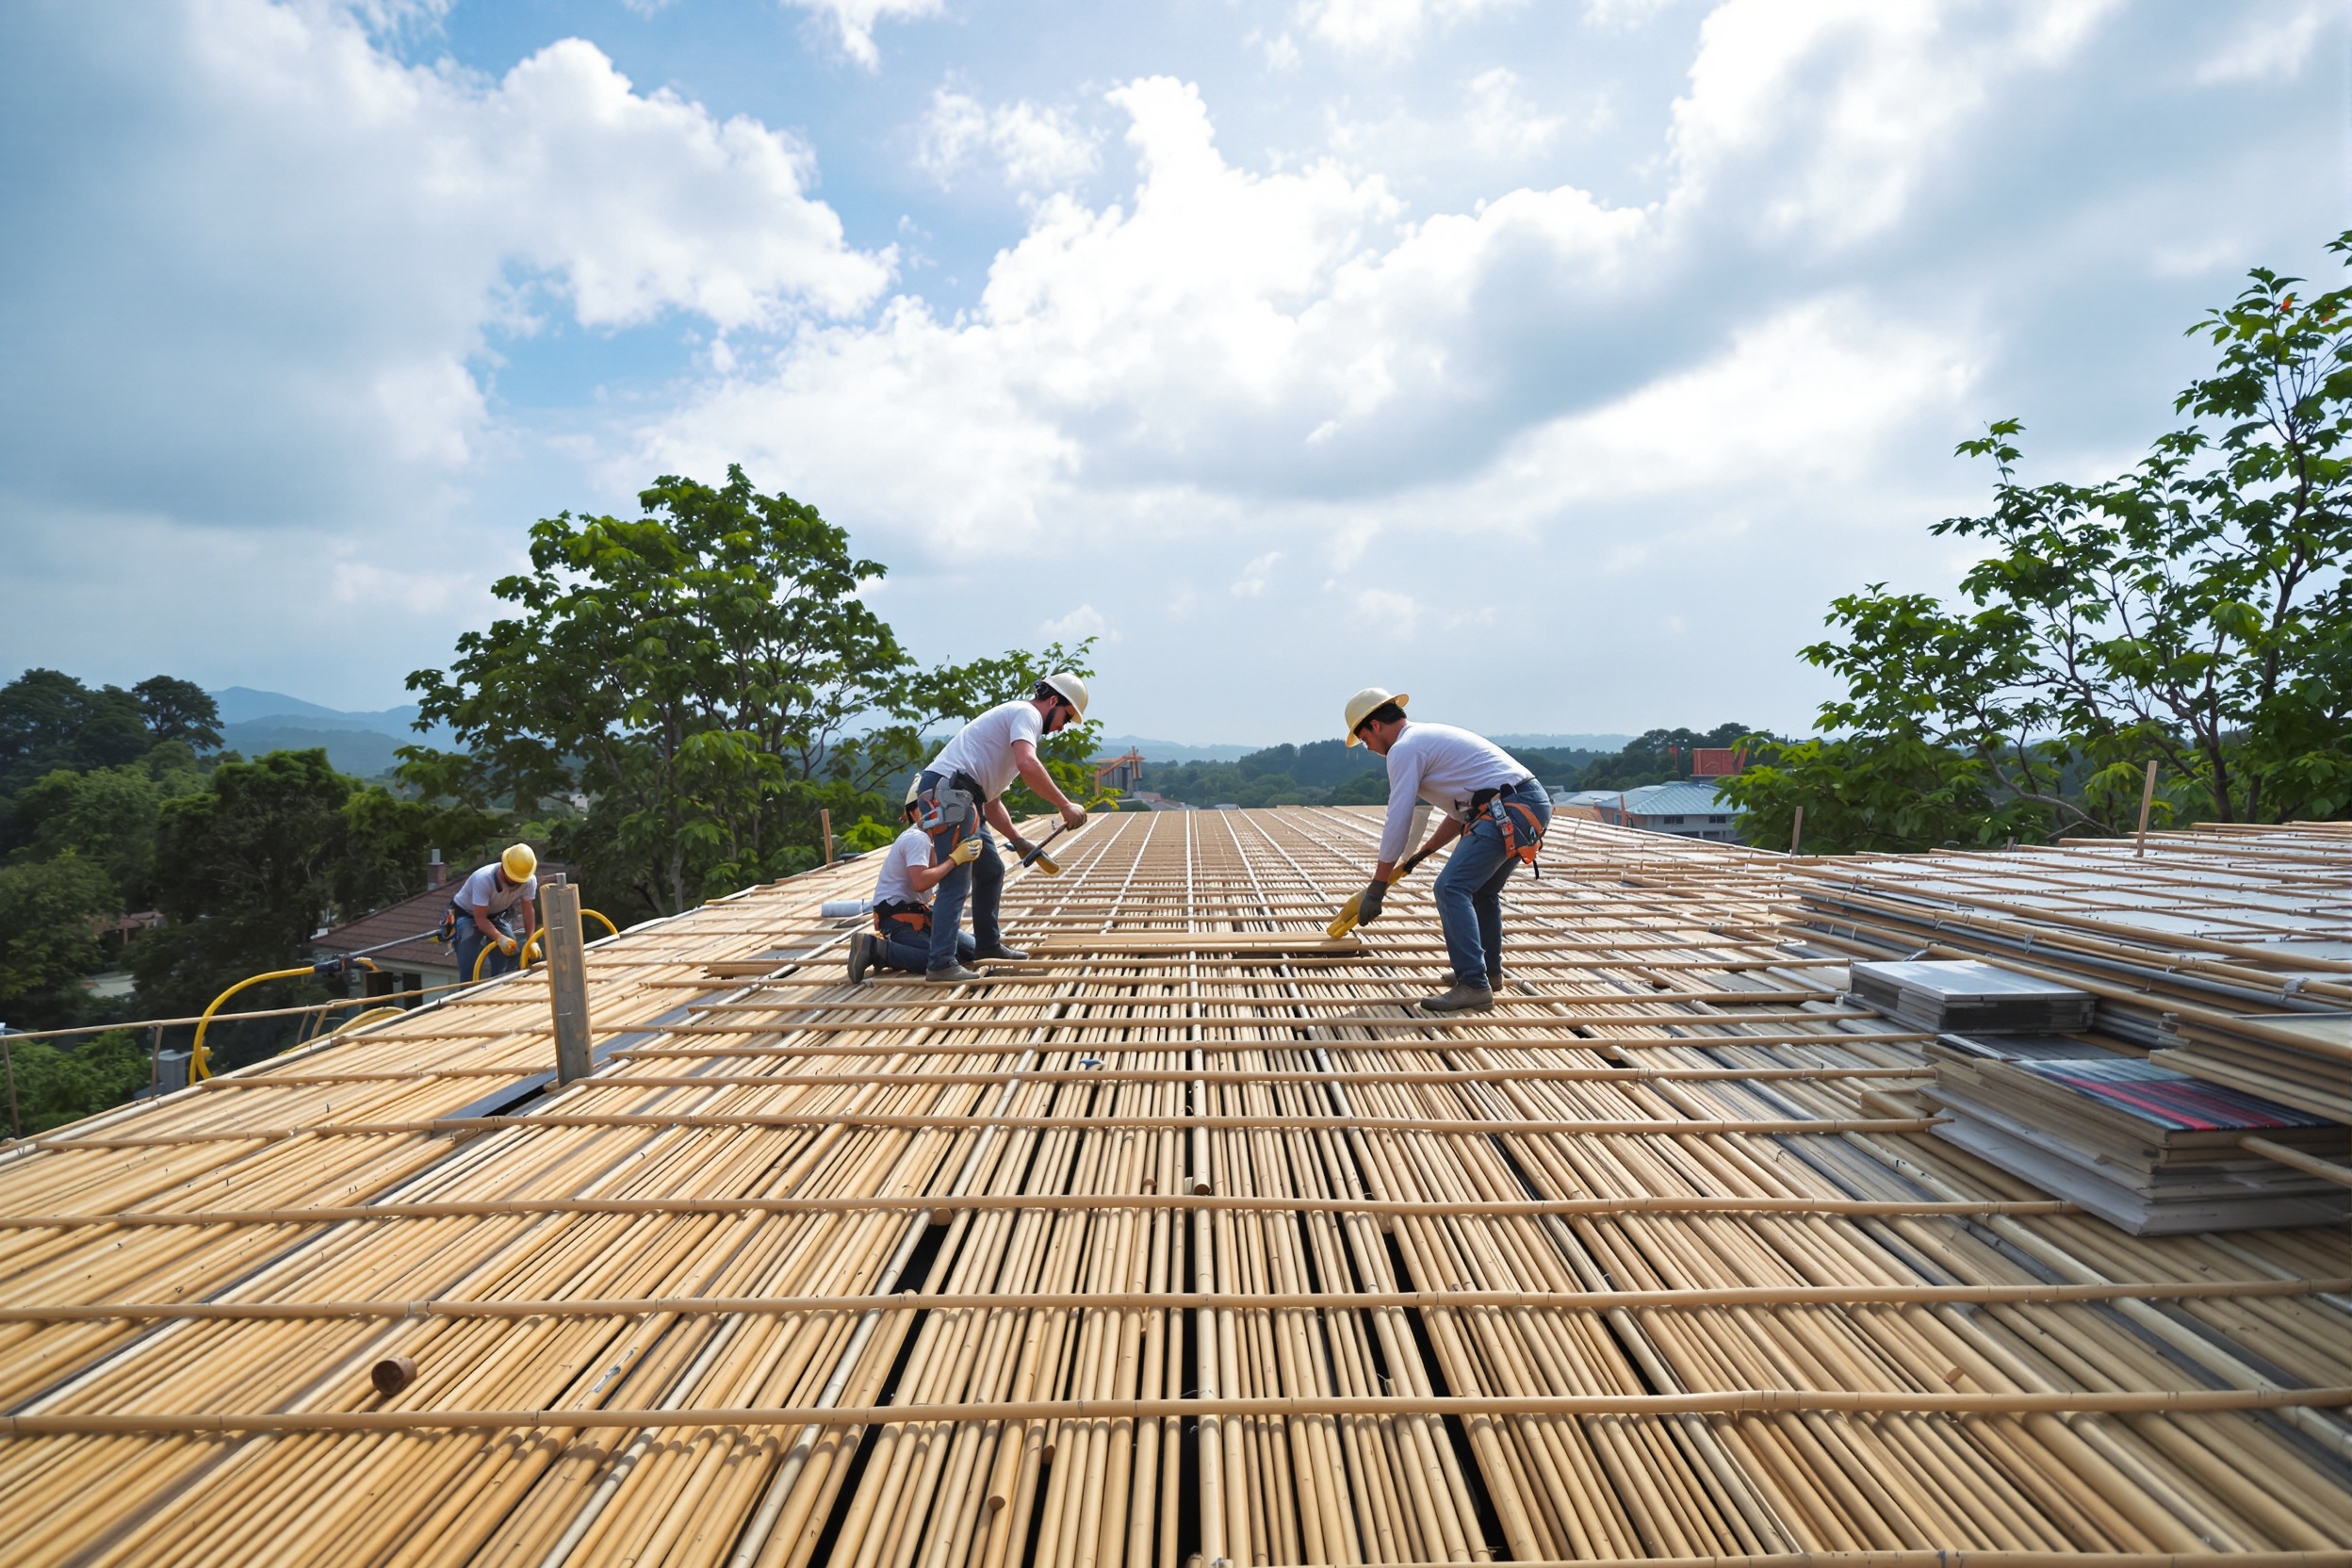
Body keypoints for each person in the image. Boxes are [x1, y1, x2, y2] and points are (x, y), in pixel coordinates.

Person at [1341, 687, 1550, 1013]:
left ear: (1375, 726)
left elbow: (1399, 816)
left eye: (1364, 739)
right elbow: (1457, 816)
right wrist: (1420, 855)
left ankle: (1473, 984)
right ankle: (1488, 973)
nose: (1368, 748)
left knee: (1451, 887)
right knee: (1482, 891)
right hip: (1525, 804)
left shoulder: (1404, 749)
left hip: (1508, 808)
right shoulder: (1424, 739)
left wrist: (1377, 885)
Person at [910, 674, 1093, 982]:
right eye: (1067, 716)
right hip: (951, 793)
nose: (1063, 726)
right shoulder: (1027, 714)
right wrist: (1064, 805)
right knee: (957, 877)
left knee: (991, 868)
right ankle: (940, 963)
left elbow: (991, 802)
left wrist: (1017, 839)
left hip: (966, 797)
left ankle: (987, 946)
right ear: (1053, 702)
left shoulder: (1007, 742)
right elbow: (1029, 764)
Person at [847, 783, 982, 983]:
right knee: (937, 960)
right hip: (897, 917)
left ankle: (897, 950)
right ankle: (874, 948)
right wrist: (955, 860)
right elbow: (920, 882)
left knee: (972, 951)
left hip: (920, 913)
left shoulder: (929, 840)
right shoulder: (917, 839)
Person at [449, 843, 540, 982]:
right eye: (514, 880)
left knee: (511, 952)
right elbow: (480, 919)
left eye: (520, 881)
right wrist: (499, 938)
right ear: (504, 869)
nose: (517, 884)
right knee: (470, 954)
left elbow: (528, 910)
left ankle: (501, 985)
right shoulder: (484, 879)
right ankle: (468, 991)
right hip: (466, 914)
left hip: (495, 915)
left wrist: (531, 940)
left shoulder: (529, 880)